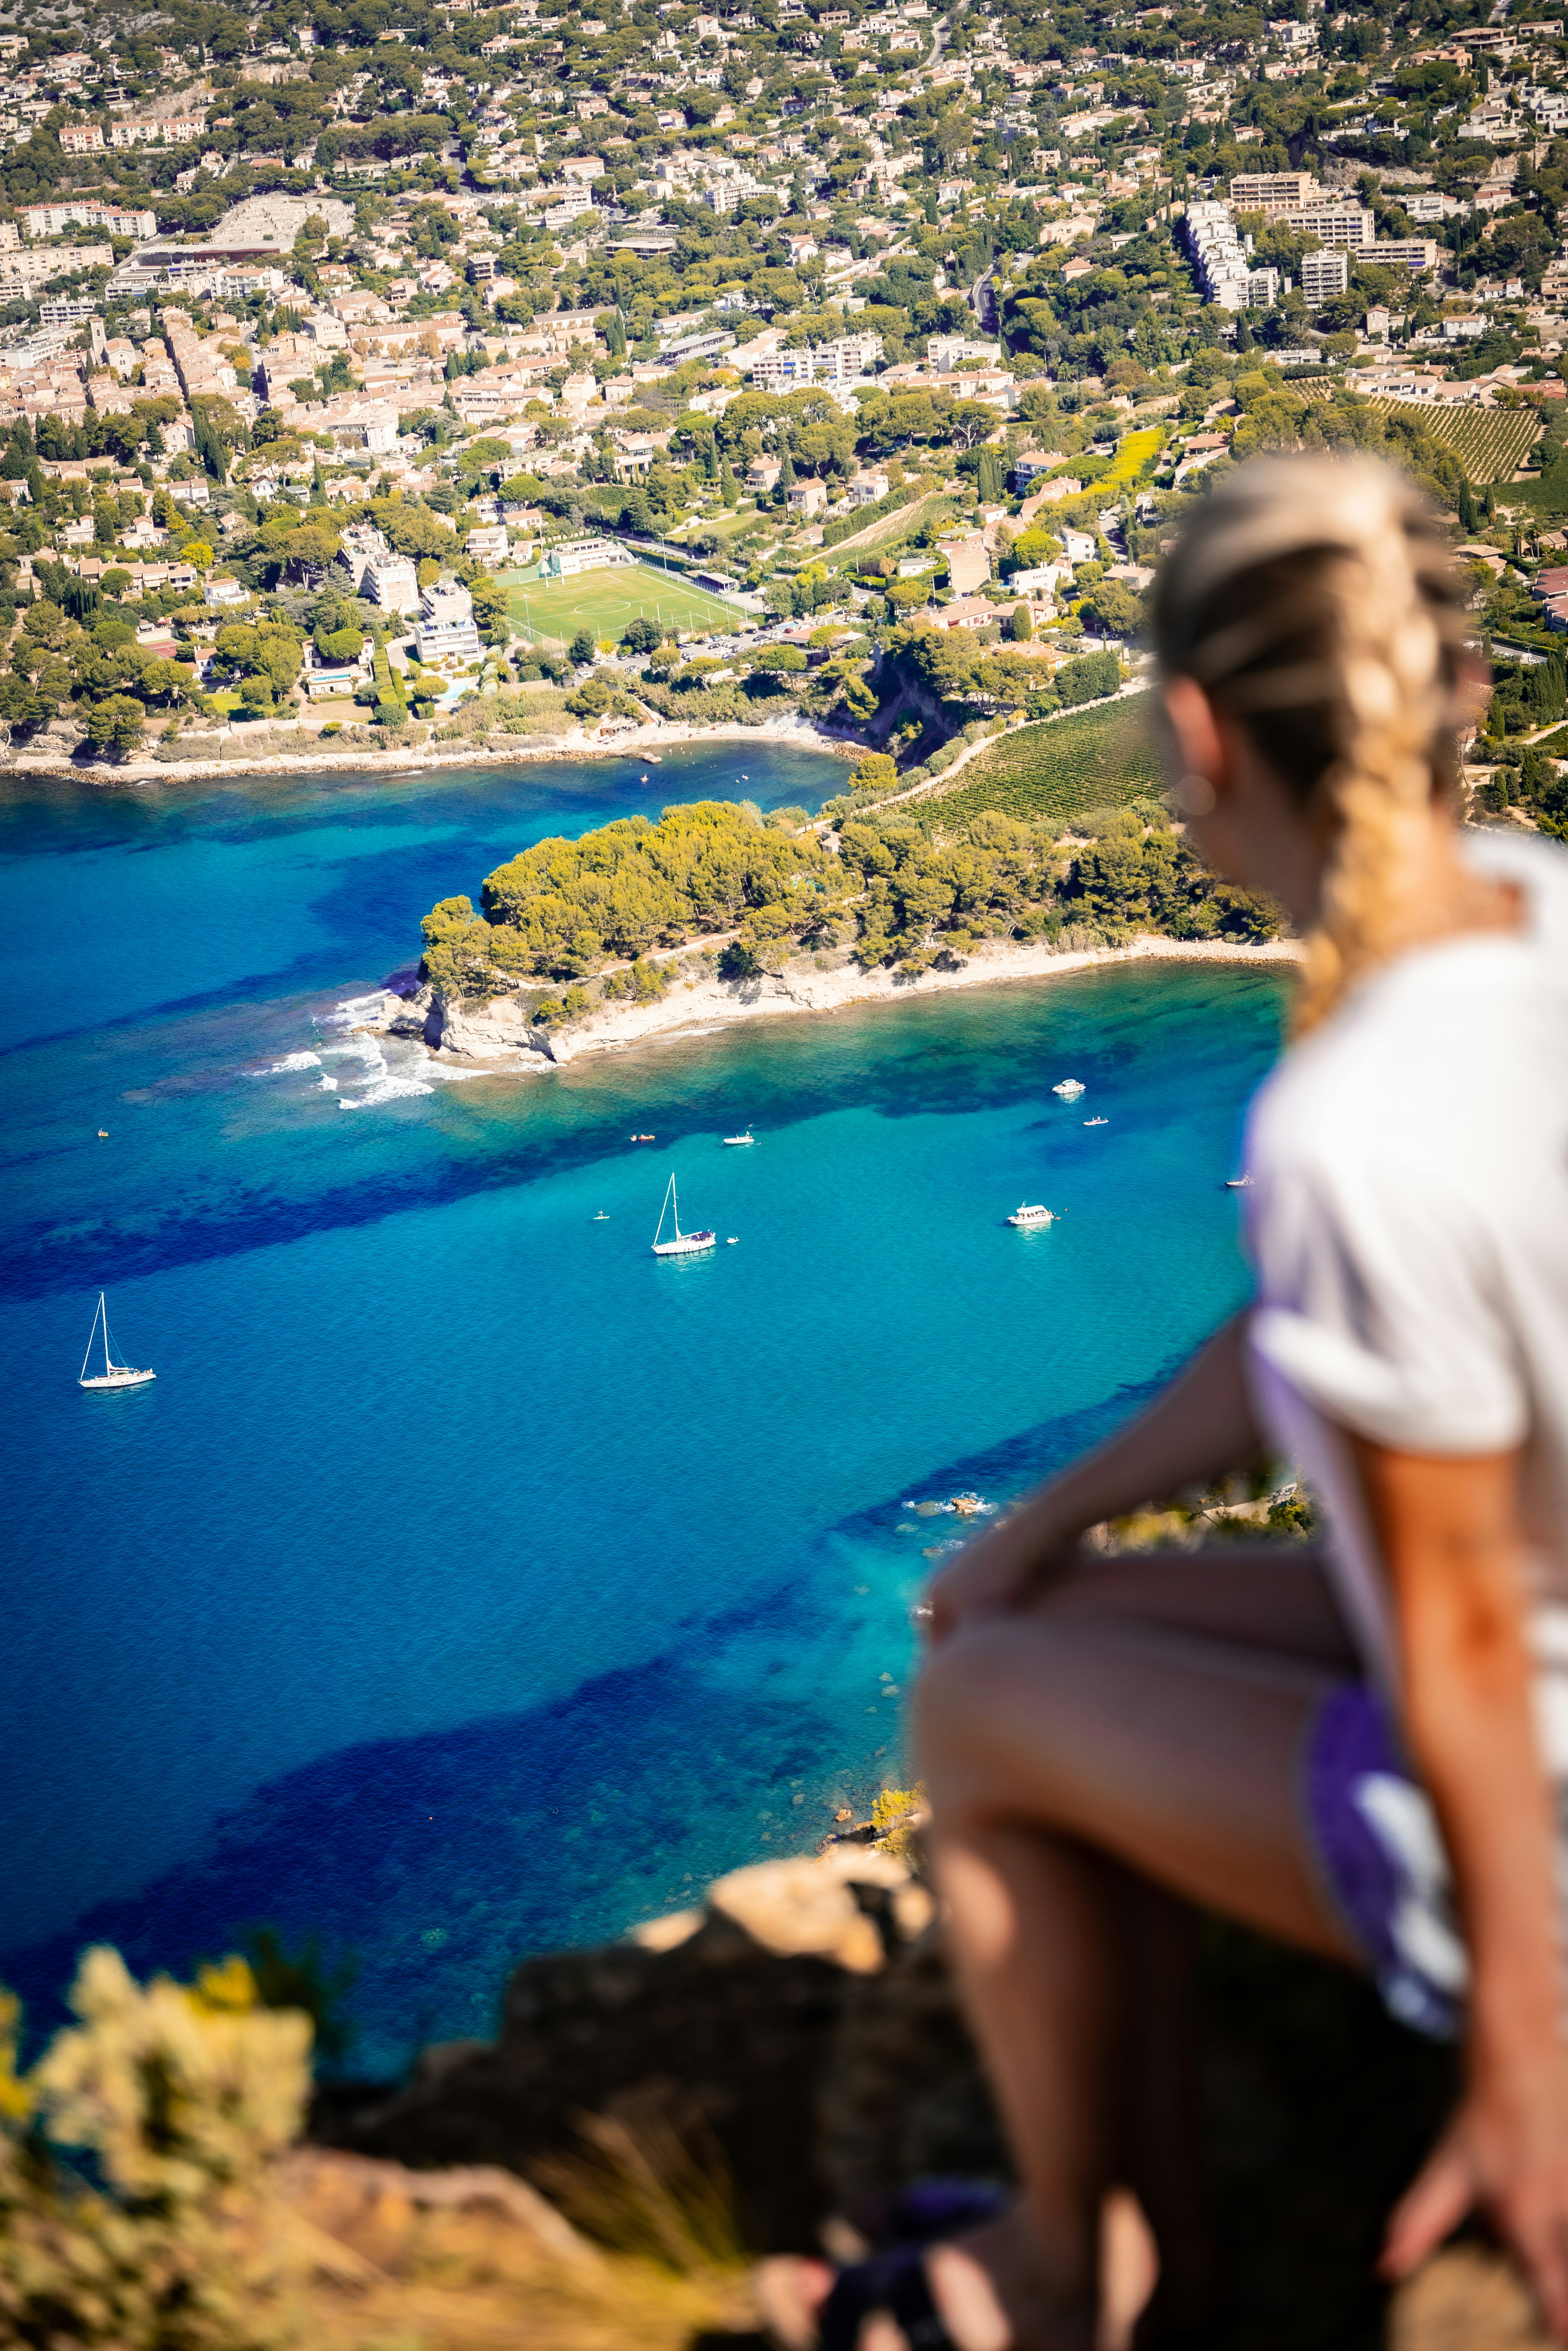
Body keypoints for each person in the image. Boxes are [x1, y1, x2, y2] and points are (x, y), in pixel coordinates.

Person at [762, 453, 1568, 2351]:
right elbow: (1308, 1339)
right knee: (1020, 1616)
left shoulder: (1353, 1118)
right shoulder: (1536, 912)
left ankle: (1074, 2275)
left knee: (966, 1703)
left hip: (1534, 1799)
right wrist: (1037, 1529)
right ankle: (1136, 2252)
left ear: (1197, 733)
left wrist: (1526, 2065)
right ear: (1455, 696)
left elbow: (1451, 1627)